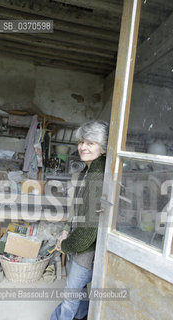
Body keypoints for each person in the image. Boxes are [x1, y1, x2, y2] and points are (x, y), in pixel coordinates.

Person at [50, 120, 109, 320]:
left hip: (87, 249)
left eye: (90, 143)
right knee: (79, 290)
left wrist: (66, 245)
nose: (83, 147)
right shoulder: (87, 171)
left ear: (103, 147)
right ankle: (82, 316)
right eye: (81, 142)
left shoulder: (97, 175)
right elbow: (76, 209)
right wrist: (66, 229)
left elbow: (88, 231)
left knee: (70, 293)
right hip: (80, 242)